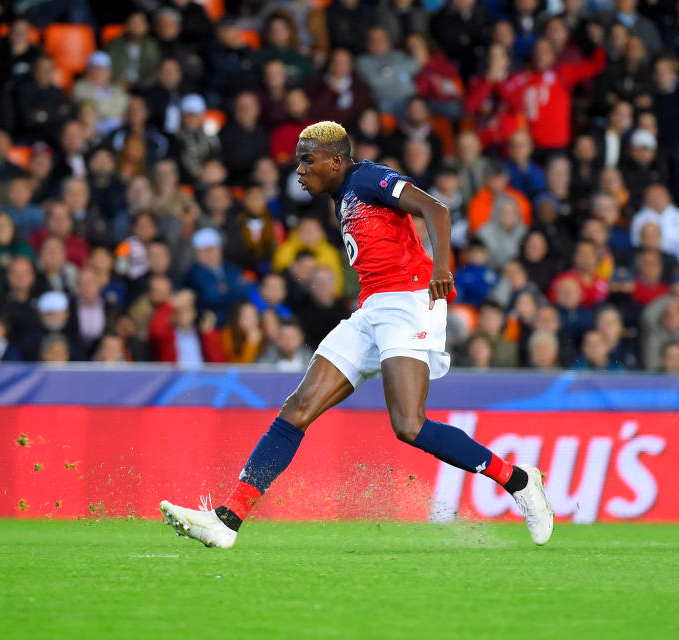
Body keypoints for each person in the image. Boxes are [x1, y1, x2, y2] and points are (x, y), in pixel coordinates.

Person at [160, 121, 553, 548]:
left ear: (336, 160)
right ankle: (227, 520)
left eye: (307, 161)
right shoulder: (340, 197)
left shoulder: (368, 178)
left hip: (410, 300)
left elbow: (436, 209)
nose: (300, 171)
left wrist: (442, 266)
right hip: (372, 308)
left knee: (409, 425)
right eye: (298, 162)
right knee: (298, 407)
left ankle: (518, 481)